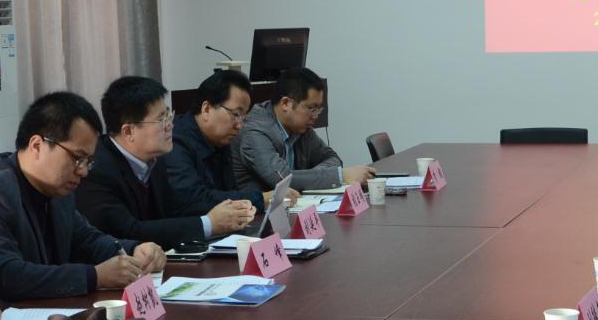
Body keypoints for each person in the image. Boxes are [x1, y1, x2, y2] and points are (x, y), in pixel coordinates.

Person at [0, 91, 166, 301]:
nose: (83, 171)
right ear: (37, 145)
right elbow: (3, 274)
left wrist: (135, 250)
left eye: (88, 161)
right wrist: (94, 277)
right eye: (76, 158)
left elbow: (86, 241)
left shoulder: (56, 188)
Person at [76, 76, 256, 247]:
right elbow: (128, 232)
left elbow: (175, 212)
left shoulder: (155, 159)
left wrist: (230, 213)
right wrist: (209, 224)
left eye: (169, 115)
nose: (171, 125)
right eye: (161, 119)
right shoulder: (95, 169)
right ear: (129, 132)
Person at [162, 70, 290, 218]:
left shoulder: (220, 139)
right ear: (206, 109)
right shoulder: (175, 141)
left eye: (243, 117)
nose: (239, 125)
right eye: (235, 114)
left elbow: (229, 191)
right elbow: (193, 200)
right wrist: (259, 199)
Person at [232, 67, 374, 191]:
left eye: (318, 110)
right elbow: (283, 180)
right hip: (257, 212)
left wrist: (312, 177)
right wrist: (339, 175)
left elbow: (332, 158)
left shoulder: (300, 129)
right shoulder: (255, 131)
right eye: (312, 108)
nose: (315, 116)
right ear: (286, 103)